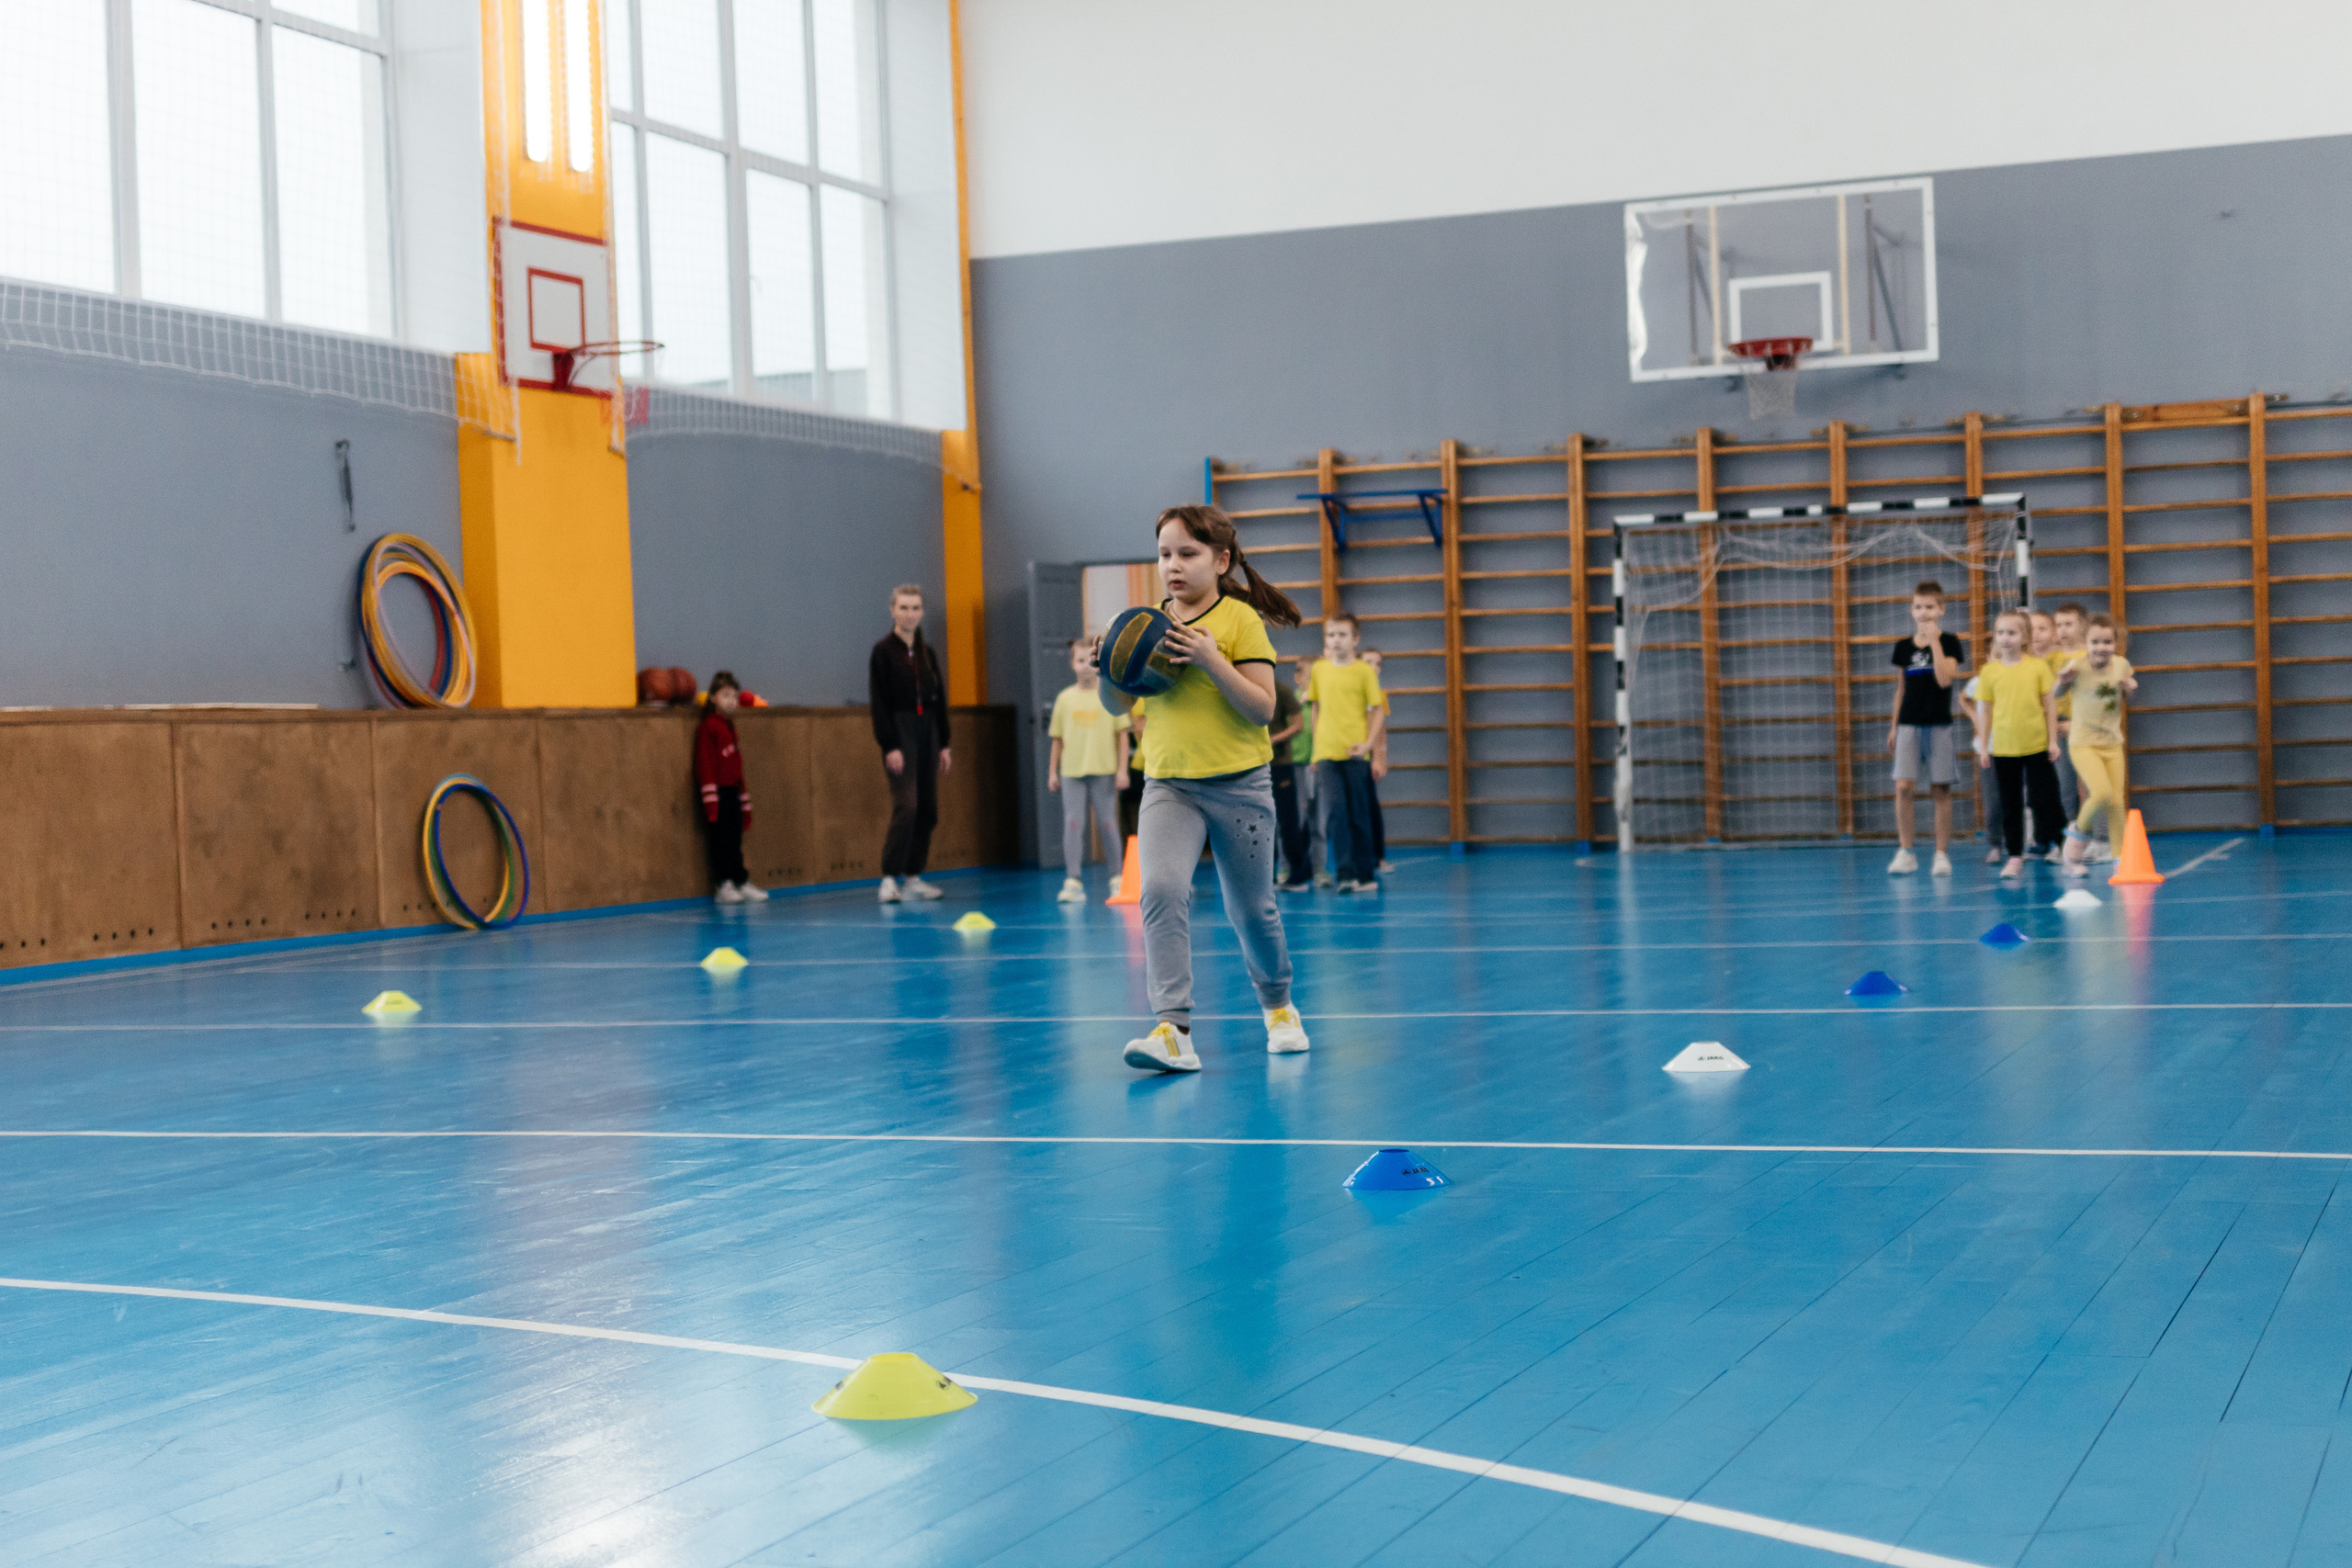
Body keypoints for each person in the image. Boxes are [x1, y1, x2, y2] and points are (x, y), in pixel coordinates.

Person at [1098, 503, 1309, 1072]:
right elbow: (1117, 705)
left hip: (1240, 786)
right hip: (1169, 784)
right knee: (1161, 890)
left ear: (1221, 561)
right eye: (1164, 553)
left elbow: (1261, 709)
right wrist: (1109, 670)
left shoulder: (1239, 622)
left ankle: (1280, 1007)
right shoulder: (1147, 624)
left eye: (1187, 554)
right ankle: (1174, 1030)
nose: (1173, 565)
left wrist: (1211, 659)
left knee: (1253, 909)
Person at [869, 583, 952, 904]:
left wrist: (944, 742)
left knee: (928, 807)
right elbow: (879, 703)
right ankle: (889, 877)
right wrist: (890, 745)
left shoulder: (927, 653)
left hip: (927, 731)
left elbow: (939, 699)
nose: (910, 614)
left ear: (922, 612)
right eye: (904, 608)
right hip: (900, 731)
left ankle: (913, 876)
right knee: (908, 805)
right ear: (893, 610)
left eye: (916, 608)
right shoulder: (882, 652)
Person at [1974, 608, 2064, 880]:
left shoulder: (2037, 667)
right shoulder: (1989, 672)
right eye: (2000, 633)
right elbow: (1985, 711)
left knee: (2045, 797)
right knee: (2010, 803)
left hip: (2036, 746)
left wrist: (2052, 741)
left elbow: (2049, 706)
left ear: (2024, 637)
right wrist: (1984, 745)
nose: (2005, 638)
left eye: (2011, 633)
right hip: (2003, 749)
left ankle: (2059, 844)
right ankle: (2014, 855)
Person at [1885, 580, 1966, 876]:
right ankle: (1906, 851)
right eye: (1918, 607)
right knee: (1904, 787)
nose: (1923, 612)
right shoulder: (1903, 647)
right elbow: (1901, 689)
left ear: (1941, 610)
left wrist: (1934, 642)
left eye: (1929, 607)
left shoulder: (1950, 642)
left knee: (1940, 789)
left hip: (1938, 725)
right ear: (1912, 610)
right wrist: (1894, 726)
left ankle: (1941, 854)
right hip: (1908, 724)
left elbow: (1945, 680)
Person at [1306, 612, 1388, 893]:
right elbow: (1315, 707)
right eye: (1331, 635)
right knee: (1335, 815)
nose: (1336, 640)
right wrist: (1316, 750)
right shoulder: (1319, 670)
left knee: (1359, 815)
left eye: (1342, 635)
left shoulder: (1364, 671)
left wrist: (1368, 745)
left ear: (1355, 639)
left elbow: (1377, 710)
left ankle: (1365, 874)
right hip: (1327, 754)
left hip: (1355, 755)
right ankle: (1345, 874)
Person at [1046, 637, 1130, 902]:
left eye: (1089, 661)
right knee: (1073, 824)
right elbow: (1057, 739)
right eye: (1079, 661)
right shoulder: (1064, 699)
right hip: (1072, 773)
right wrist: (1052, 772)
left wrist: (1122, 770)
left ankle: (1117, 877)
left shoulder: (1110, 696)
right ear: (1072, 664)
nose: (1085, 667)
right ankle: (1073, 881)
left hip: (1104, 771)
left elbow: (1123, 735)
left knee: (1107, 823)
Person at [2055, 614, 2138, 879]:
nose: (2101, 647)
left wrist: (2131, 687)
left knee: (2116, 803)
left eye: (2107, 642)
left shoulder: (2121, 665)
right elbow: (2055, 693)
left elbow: (2128, 692)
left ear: (2115, 643)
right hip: (2083, 744)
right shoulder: (2076, 666)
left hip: (2112, 744)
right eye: (2095, 642)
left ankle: (2120, 860)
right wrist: (2062, 682)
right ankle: (2074, 844)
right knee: (2101, 793)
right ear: (2085, 643)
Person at [695, 671, 766, 906]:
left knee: (735, 840)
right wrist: (711, 800)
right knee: (720, 840)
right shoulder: (708, 728)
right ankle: (723, 884)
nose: (731, 701)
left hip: (732, 793)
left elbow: (736, 767)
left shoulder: (730, 727)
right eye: (725, 695)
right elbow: (704, 764)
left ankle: (739, 880)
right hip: (718, 794)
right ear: (713, 698)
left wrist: (744, 800)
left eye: (734, 696)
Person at [1283, 655, 1329, 891]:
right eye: (1308, 676)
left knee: (1318, 821)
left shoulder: (1322, 702)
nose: (1312, 681)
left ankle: (1319, 869)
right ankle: (1287, 867)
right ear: (1297, 677)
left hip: (1318, 766)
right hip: (1293, 767)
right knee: (1291, 820)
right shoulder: (1289, 701)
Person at [2049, 602, 2090, 837]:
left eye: (2068, 624)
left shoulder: (2089, 655)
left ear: (2082, 625)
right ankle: (2072, 833)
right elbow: (2045, 697)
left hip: (2084, 725)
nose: (2062, 630)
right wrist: (2054, 726)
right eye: (2059, 625)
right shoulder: (2052, 659)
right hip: (2060, 727)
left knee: (2087, 784)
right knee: (2065, 785)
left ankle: (2090, 832)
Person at [1267, 661, 1307, 887]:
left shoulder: (1281, 690)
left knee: (1287, 818)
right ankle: (1267, 875)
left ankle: (1298, 873)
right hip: (1256, 765)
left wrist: (1273, 739)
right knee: (1261, 822)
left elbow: (1298, 725)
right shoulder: (1245, 689)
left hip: (1280, 764)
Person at [1361, 646, 1393, 874]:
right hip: (1346, 751)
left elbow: (1381, 730)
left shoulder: (1380, 695)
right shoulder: (1351, 688)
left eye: (1378, 664)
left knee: (1371, 806)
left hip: (1367, 755)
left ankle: (1378, 856)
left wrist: (1380, 759)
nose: (1374, 668)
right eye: (1369, 662)